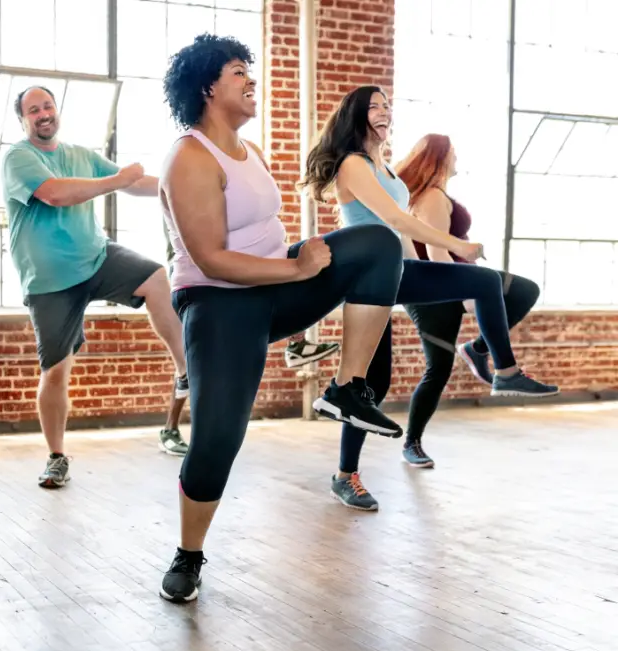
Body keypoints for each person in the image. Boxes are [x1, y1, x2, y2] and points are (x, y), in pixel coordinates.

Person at [155, 34, 409, 603]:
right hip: (218, 303)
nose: (251, 80)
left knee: (375, 244)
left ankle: (347, 387)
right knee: (219, 437)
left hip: (276, 283)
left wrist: (300, 257)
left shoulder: (252, 151)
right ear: (206, 86)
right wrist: (298, 271)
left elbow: (265, 235)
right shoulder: (189, 156)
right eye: (239, 70)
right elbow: (211, 258)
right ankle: (188, 554)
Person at [300, 85, 559, 511]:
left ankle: (505, 371)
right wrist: (459, 246)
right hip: (368, 281)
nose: (384, 111)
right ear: (356, 117)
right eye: (374, 107)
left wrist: (424, 274)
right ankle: (346, 475)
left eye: (387, 105)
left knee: (483, 283)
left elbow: (400, 231)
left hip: (398, 274)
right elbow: (396, 218)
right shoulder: (352, 165)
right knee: (371, 384)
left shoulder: (386, 168)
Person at [1, 84, 191, 487]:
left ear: (57, 110)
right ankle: (56, 456)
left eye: (47, 105)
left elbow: (134, 183)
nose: (43, 114)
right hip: (49, 281)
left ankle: (184, 370)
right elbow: (56, 195)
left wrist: (178, 183)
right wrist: (118, 179)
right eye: (33, 110)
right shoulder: (19, 157)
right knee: (56, 373)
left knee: (156, 277)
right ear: (23, 120)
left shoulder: (81, 155)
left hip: (97, 257)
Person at [395, 134, 544, 467]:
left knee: (522, 290)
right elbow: (435, 252)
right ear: (441, 157)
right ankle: (412, 442)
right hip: (436, 290)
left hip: (447, 283)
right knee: (439, 369)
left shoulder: (432, 195)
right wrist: (460, 292)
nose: (457, 159)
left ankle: (477, 349)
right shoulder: (432, 196)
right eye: (454, 153)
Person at [158, 220, 341, 457]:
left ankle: (296, 344)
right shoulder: (183, 190)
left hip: (227, 275)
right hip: (193, 281)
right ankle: (171, 429)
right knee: (186, 369)